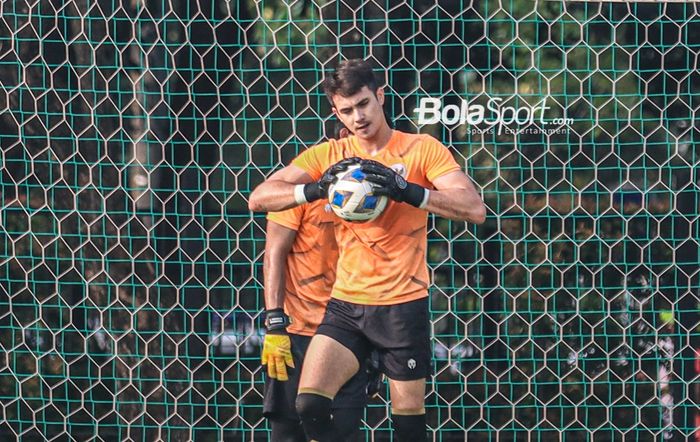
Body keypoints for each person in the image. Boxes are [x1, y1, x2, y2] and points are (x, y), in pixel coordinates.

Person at [250, 58, 486, 442]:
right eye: (346, 110)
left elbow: (473, 208)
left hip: (402, 305)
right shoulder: (329, 156)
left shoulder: (421, 149)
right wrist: (313, 189)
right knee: (308, 404)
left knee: (409, 428)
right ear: (336, 112)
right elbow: (259, 198)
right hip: (346, 305)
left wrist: (408, 191)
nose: (357, 117)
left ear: (379, 96)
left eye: (363, 104)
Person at [260, 121, 377, 442]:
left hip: (350, 332)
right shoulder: (299, 185)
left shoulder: (375, 191)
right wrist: (274, 324)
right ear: (337, 140)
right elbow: (274, 254)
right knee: (287, 432)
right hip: (297, 332)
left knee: (341, 433)